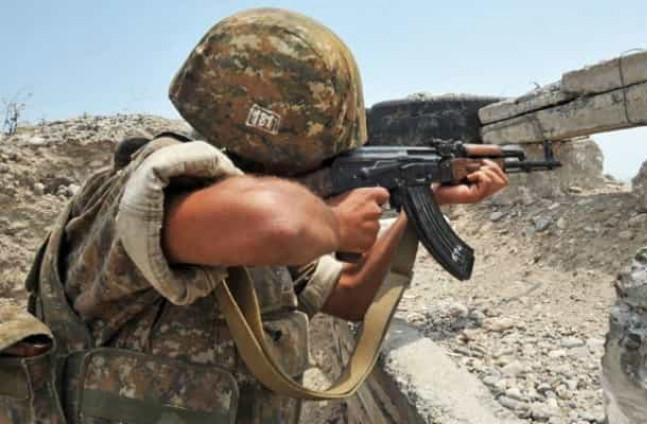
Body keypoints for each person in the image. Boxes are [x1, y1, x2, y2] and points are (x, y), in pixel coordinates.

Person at [2, 8, 508, 423]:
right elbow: (277, 221)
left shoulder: (247, 221)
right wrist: (333, 224)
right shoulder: (151, 186)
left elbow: (351, 297)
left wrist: (422, 206)